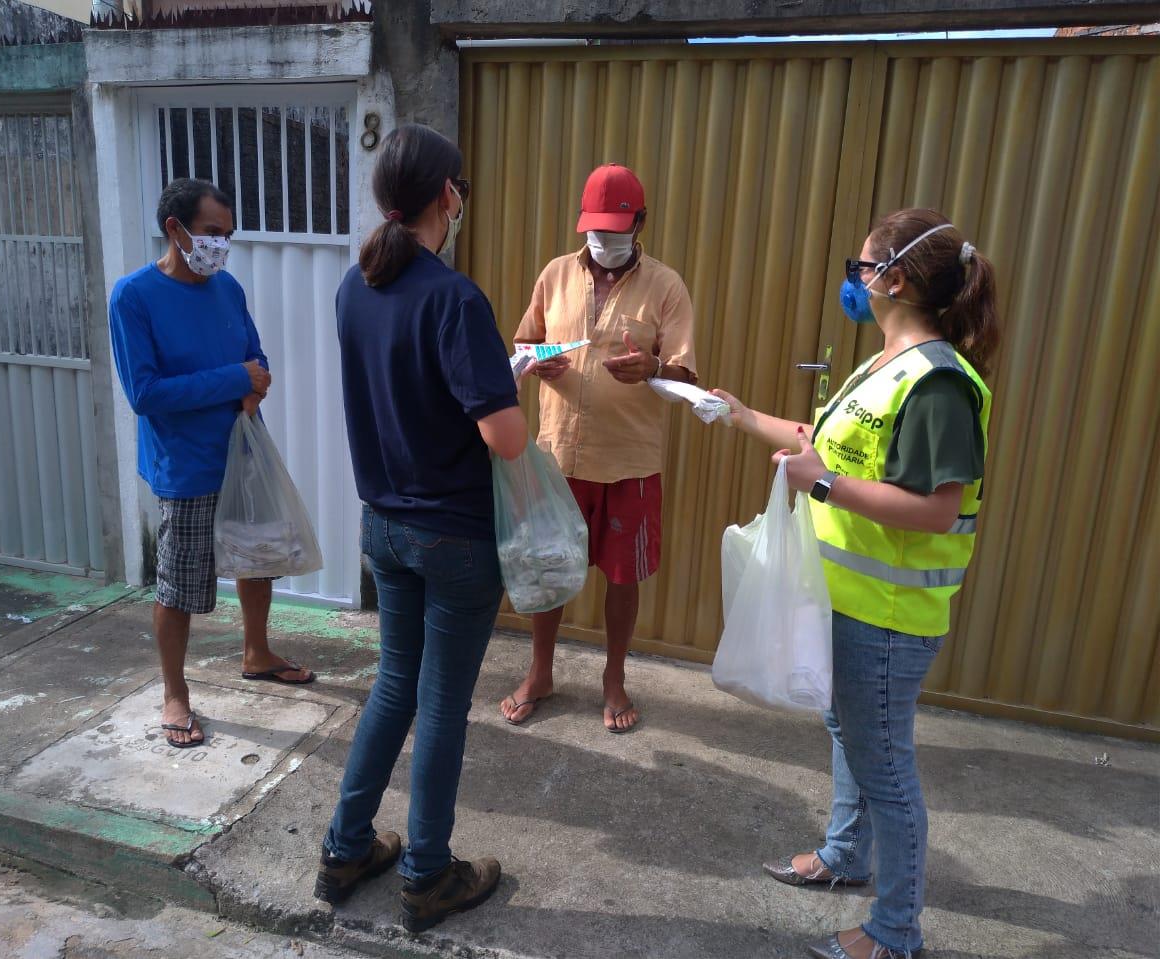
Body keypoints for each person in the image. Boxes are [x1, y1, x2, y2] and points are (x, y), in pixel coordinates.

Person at [715, 208, 999, 959]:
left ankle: (895, 931)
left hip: (890, 617)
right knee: (848, 731)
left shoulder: (938, 384)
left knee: (888, 771)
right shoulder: (885, 365)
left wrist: (827, 486)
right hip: (844, 602)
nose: (854, 278)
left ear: (893, 277)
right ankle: (846, 854)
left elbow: (937, 510)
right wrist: (741, 415)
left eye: (860, 265)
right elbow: (821, 445)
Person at [315, 125, 528, 933]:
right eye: (462, 186)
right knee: (439, 702)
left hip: (386, 526)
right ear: (448, 195)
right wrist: (512, 385)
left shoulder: (353, 288)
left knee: (394, 685)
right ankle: (428, 873)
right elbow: (502, 438)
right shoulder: (454, 297)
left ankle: (345, 848)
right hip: (455, 535)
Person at [109, 178, 315, 750]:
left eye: (227, 235)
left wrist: (255, 385)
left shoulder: (227, 289)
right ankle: (175, 691)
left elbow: (255, 355)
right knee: (179, 583)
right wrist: (235, 381)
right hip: (186, 464)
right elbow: (145, 393)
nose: (220, 246)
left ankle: (257, 652)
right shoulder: (133, 296)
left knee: (258, 558)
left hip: (242, 451)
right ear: (175, 230)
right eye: (210, 233)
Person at [500, 163, 698, 733]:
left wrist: (654, 366)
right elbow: (525, 340)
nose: (602, 241)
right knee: (548, 569)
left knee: (622, 577)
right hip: (558, 454)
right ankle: (540, 672)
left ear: (640, 224)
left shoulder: (666, 285)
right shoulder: (556, 274)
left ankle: (614, 678)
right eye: (594, 229)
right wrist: (539, 359)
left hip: (629, 460)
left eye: (615, 230)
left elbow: (683, 369)